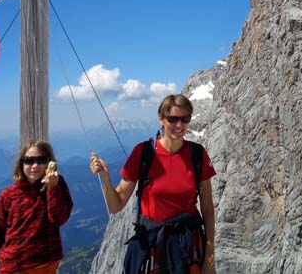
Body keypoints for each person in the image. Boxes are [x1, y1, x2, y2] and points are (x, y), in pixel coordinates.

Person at [90, 94, 216, 274]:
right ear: (161, 118)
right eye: (173, 119)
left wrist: (209, 256)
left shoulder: (198, 154)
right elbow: (116, 205)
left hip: (188, 245)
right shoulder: (144, 153)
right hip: (154, 247)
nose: (179, 125)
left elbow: (208, 208)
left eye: (185, 119)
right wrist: (105, 177)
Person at [0, 139, 73, 274]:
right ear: (21, 163)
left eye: (41, 160)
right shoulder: (7, 196)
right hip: (14, 268)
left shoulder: (57, 185)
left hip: (46, 266)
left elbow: (59, 218)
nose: (34, 166)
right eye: (29, 161)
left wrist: (52, 189)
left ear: (48, 163)